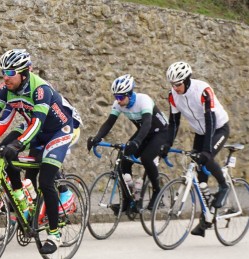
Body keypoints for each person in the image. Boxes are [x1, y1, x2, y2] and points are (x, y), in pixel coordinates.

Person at [0, 49, 74, 254]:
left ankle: (54, 233)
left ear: (25, 72)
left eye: (11, 72)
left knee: (46, 179)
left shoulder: (41, 90)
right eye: (3, 72)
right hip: (34, 128)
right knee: (6, 152)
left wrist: (19, 144)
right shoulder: (5, 89)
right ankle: (23, 202)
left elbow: (38, 123)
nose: (6, 77)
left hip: (57, 131)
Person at [161, 61, 230, 237]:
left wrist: (206, 150)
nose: (175, 88)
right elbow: (174, 122)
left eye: (178, 84)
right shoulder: (173, 96)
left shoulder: (202, 90)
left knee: (207, 157)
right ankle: (207, 218)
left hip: (218, 128)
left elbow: (210, 120)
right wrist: (167, 144)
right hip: (200, 132)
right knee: (201, 179)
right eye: (172, 85)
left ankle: (224, 187)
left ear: (187, 80)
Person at [87, 74, 169, 213]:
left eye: (120, 97)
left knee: (147, 158)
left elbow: (147, 123)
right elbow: (109, 123)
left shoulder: (144, 100)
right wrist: (97, 138)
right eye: (115, 97)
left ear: (129, 94)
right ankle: (128, 200)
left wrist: (137, 142)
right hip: (145, 132)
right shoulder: (119, 104)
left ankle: (157, 191)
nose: (117, 101)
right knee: (123, 160)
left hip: (160, 132)